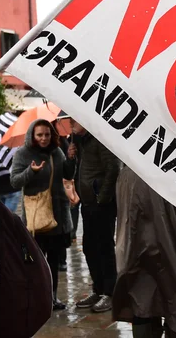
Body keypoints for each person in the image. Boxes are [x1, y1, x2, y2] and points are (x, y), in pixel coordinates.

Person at [113, 168, 176, 337]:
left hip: (137, 251)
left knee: (144, 301)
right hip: (164, 251)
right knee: (170, 300)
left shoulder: (127, 172)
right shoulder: (169, 171)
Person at [10, 118, 74, 311]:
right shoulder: (23, 153)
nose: (44, 138)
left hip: (56, 215)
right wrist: (31, 171)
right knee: (35, 262)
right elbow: (14, 181)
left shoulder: (56, 152)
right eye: (40, 135)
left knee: (53, 261)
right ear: (32, 135)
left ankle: (52, 297)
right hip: (36, 217)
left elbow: (67, 175)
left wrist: (71, 159)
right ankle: (34, 297)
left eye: (47, 134)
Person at [69, 118, 120, 314]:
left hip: (101, 204)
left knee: (104, 246)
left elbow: (113, 168)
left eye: (74, 119)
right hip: (88, 203)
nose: (71, 122)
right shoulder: (79, 141)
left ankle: (109, 292)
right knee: (90, 247)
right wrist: (70, 156)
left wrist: (102, 198)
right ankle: (98, 289)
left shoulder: (100, 138)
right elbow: (70, 171)